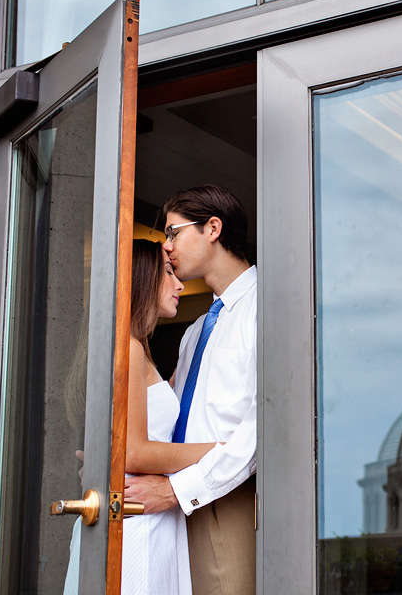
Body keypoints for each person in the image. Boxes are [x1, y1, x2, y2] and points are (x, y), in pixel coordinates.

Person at [63, 239, 221, 595]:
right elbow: (134, 452)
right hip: (137, 523)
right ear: (142, 278)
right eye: (167, 273)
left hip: (140, 518)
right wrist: (219, 450)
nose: (180, 284)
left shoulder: (135, 350)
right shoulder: (130, 350)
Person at [124, 185, 257, 595]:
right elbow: (166, 419)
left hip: (223, 498)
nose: (167, 248)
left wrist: (176, 491)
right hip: (173, 505)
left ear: (212, 228)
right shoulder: (195, 331)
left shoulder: (268, 308)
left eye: (173, 233)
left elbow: (262, 428)